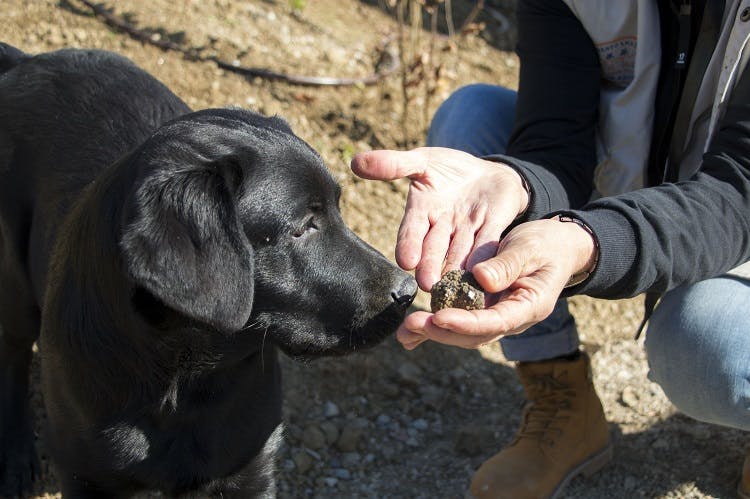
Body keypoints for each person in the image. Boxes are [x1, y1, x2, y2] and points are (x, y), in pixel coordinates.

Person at [351, 1, 750, 498]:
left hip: (738, 215)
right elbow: (555, 141)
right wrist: (514, 181)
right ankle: (561, 393)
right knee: (472, 121)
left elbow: (739, 193)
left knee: (707, 347)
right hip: (641, 185)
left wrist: (588, 241)